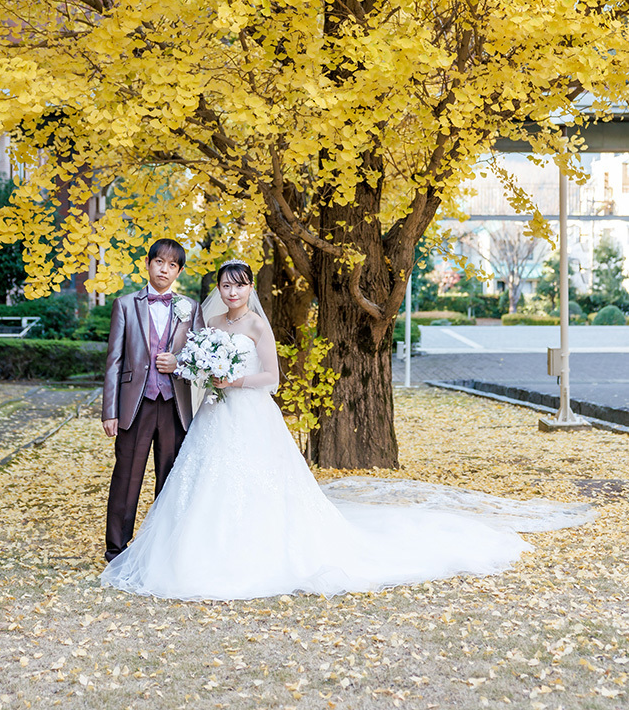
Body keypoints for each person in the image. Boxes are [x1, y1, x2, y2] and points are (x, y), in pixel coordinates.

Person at [101, 259, 591, 599]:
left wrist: (235, 379)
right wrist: (206, 374)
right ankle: (196, 552)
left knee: (261, 485)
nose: (232, 293)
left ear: (250, 289)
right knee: (204, 483)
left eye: (240, 285)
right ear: (219, 290)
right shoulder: (209, 325)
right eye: (226, 286)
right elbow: (193, 365)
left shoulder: (256, 326)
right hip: (215, 415)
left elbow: (271, 378)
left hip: (249, 412)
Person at [101, 237, 203, 562]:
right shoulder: (125, 305)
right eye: (159, 262)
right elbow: (114, 361)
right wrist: (109, 411)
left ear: (179, 271)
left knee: (170, 478)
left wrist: (178, 363)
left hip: (175, 406)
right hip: (136, 404)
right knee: (126, 477)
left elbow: (200, 358)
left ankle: (164, 551)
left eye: (172, 265)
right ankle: (116, 550)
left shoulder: (191, 308)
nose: (164, 269)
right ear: (147, 264)